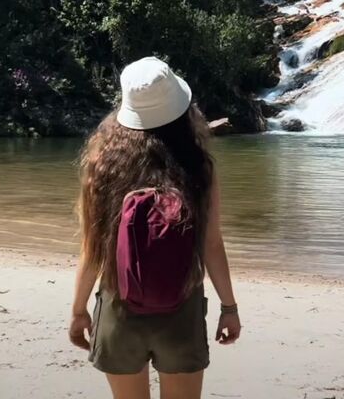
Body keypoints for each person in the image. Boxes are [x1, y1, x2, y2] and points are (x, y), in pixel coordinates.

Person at [68, 57, 241, 399]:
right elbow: (211, 245)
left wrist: (78, 311)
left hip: (119, 307)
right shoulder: (198, 167)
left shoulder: (102, 166)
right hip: (181, 307)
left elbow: (93, 249)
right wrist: (229, 308)